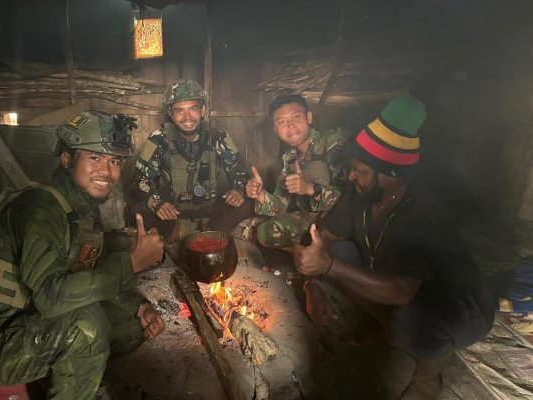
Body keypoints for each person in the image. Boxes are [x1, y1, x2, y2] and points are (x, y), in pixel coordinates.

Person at [291, 95, 495, 399]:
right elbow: (323, 238)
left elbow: (403, 290)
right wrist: (313, 286)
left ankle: (427, 379)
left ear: (389, 174)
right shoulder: (361, 194)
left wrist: (328, 268)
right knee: (339, 251)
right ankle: (386, 327)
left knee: (411, 320)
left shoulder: (424, 211)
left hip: (461, 304)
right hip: (395, 281)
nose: (351, 176)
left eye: (360, 171)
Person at [0, 111, 166, 400]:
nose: (107, 171)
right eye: (95, 157)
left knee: (132, 328)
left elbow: (86, 276)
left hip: (29, 319)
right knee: (86, 329)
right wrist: (131, 263)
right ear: (67, 159)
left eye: (114, 161)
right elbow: (50, 297)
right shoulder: (39, 209)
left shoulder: (83, 210)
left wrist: (138, 306)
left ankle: (68, 367)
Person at [132, 78, 253, 238]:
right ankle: (175, 232)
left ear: (202, 110)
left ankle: (210, 231)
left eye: (193, 109)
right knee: (137, 209)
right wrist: (157, 203)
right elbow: (140, 181)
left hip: (211, 206)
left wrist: (238, 191)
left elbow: (241, 175)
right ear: (171, 114)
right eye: (179, 111)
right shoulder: (158, 139)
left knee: (248, 203)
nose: (187, 117)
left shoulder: (218, 137)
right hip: (172, 208)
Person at [245, 94, 347, 248]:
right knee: (264, 232)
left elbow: (350, 199)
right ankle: (307, 251)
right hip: (310, 219)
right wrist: (260, 194)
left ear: (309, 117)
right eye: (282, 122)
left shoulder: (332, 143)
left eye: (296, 117)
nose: (290, 125)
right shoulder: (290, 158)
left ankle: (316, 251)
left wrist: (309, 188)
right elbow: (281, 205)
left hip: (340, 221)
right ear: (276, 130)